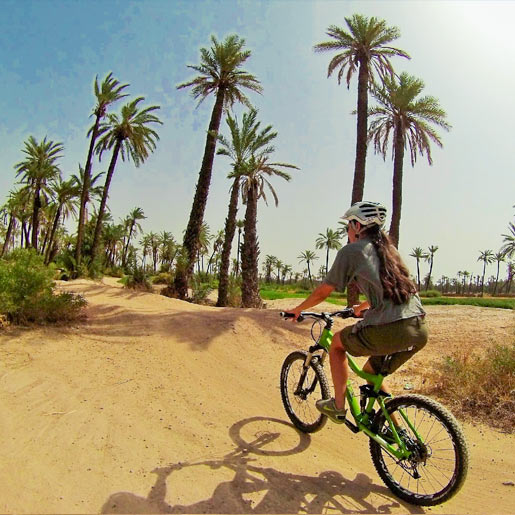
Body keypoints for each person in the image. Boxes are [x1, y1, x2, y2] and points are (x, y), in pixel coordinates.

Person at [286, 201, 428, 423]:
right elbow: (396, 290)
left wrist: (298, 309)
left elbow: (324, 291)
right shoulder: (391, 251)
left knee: (336, 345)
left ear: (356, 225)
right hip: (418, 329)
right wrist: (360, 308)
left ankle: (338, 406)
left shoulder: (351, 251)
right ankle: (396, 430)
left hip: (388, 328)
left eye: (347, 227)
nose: (347, 232)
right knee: (372, 372)